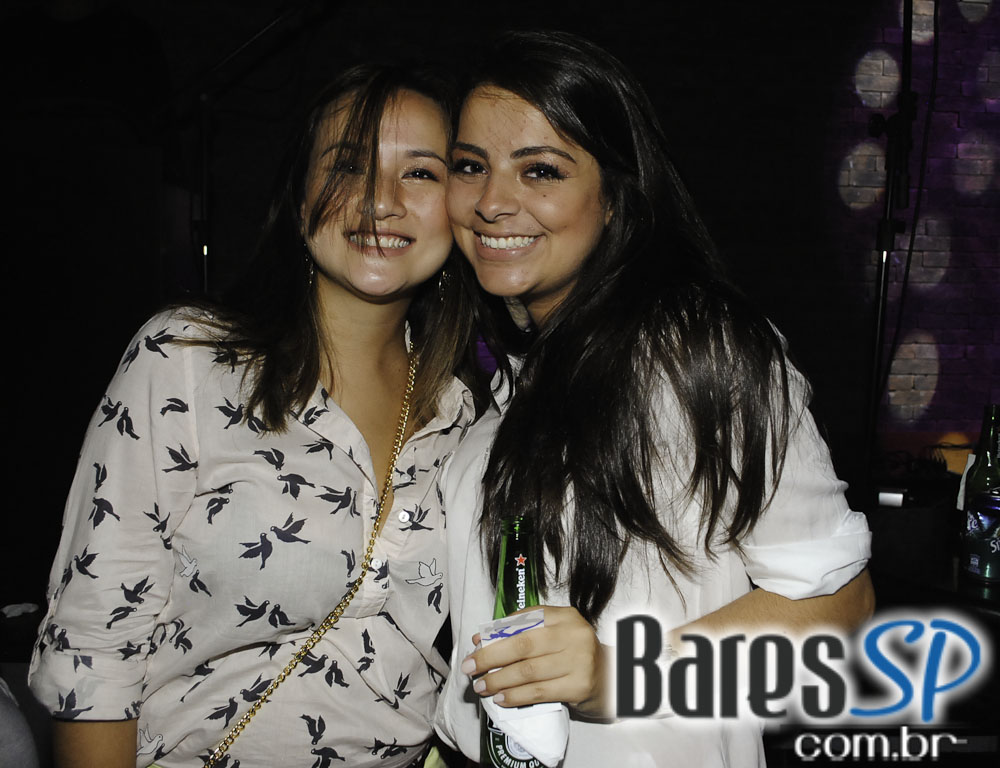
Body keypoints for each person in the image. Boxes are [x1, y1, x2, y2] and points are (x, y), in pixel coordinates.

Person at [29, 61, 491, 768]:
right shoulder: (186, 360)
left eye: (420, 173)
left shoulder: (468, 416)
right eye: (348, 165)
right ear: (300, 200)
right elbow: (93, 645)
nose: (381, 200)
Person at [434, 30, 874, 767]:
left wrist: (618, 677)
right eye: (470, 166)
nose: (491, 202)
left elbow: (840, 606)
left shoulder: (696, 352)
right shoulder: (514, 366)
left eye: (540, 170)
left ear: (614, 196)